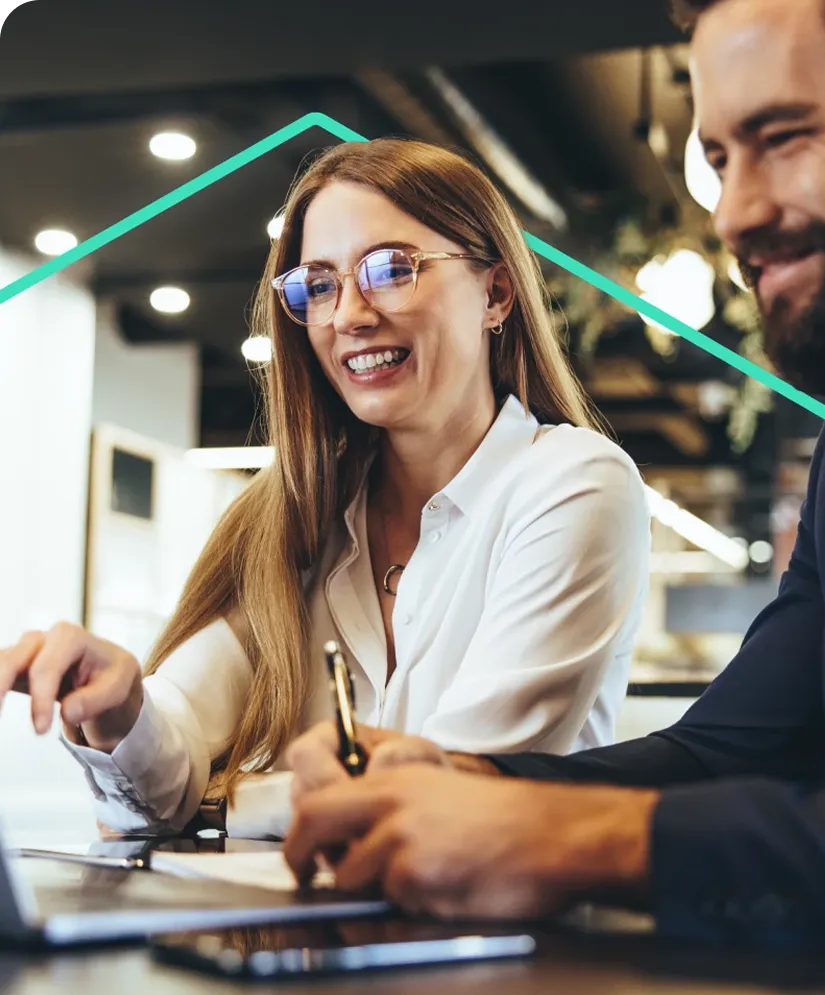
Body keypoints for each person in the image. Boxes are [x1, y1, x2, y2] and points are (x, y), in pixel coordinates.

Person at [282, 1, 825, 995]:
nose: (733, 212)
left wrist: (605, 842)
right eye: (717, 156)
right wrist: (470, 784)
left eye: (782, 137)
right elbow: (733, 750)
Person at [0, 138, 651, 840]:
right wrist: (125, 710)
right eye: (319, 284)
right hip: (315, 943)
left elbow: (453, 796)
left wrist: (219, 805)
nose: (348, 315)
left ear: (495, 293)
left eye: (391, 269)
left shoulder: (576, 483)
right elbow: (165, 764)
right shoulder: (299, 515)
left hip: (517, 945)